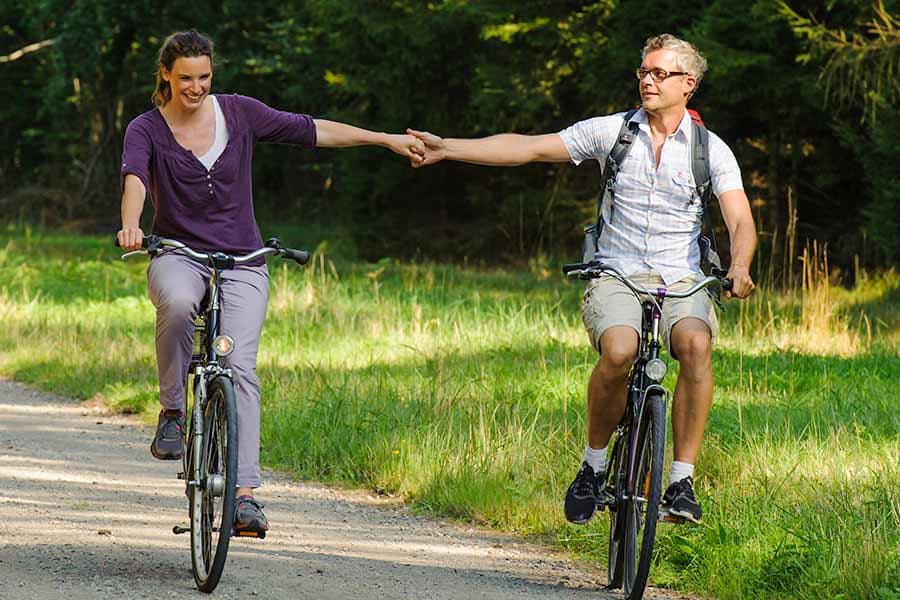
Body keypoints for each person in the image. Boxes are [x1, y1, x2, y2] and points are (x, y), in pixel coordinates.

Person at [408, 34, 756, 525]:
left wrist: (738, 266)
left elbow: (740, 220)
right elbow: (528, 148)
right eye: (644, 72)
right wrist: (450, 149)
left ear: (688, 84)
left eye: (660, 74)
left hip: (683, 280)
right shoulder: (612, 132)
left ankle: (681, 480)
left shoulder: (710, 150)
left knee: (695, 345)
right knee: (619, 350)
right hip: (616, 273)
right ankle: (593, 467)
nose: (648, 80)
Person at [117, 30, 424, 534]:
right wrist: (132, 224)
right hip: (178, 251)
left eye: (205, 77)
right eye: (186, 78)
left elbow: (313, 130)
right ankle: (173, 411)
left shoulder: (239, 112)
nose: (196, 87)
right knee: (174, 302)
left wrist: (383, 139)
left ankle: (245, 496)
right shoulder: (146, 128)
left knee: (239, 365)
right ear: (166, 76)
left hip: (244, 258)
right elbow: (135, 179)